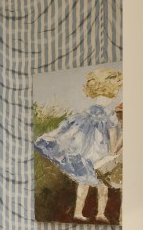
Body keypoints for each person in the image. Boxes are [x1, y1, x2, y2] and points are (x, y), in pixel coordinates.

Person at [33, 68, 122, 221]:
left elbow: (72, 127)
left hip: (86, 152)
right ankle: (99, 213)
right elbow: (112, 133)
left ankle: (80, 213)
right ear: (111, 94)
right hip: (101, 151)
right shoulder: (109, 114)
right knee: (102, 184)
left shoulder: (87, 111)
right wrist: (113, 151)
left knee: (86, 182)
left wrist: (58, 137)